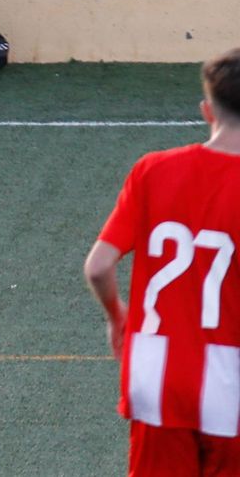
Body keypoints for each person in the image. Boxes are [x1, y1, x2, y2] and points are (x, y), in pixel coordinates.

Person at [84, 48, 240, 475]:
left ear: (207, 110)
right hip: (231, 380)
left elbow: (98, 266)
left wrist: (117, 316)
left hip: (156, 374)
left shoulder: (153, 169)